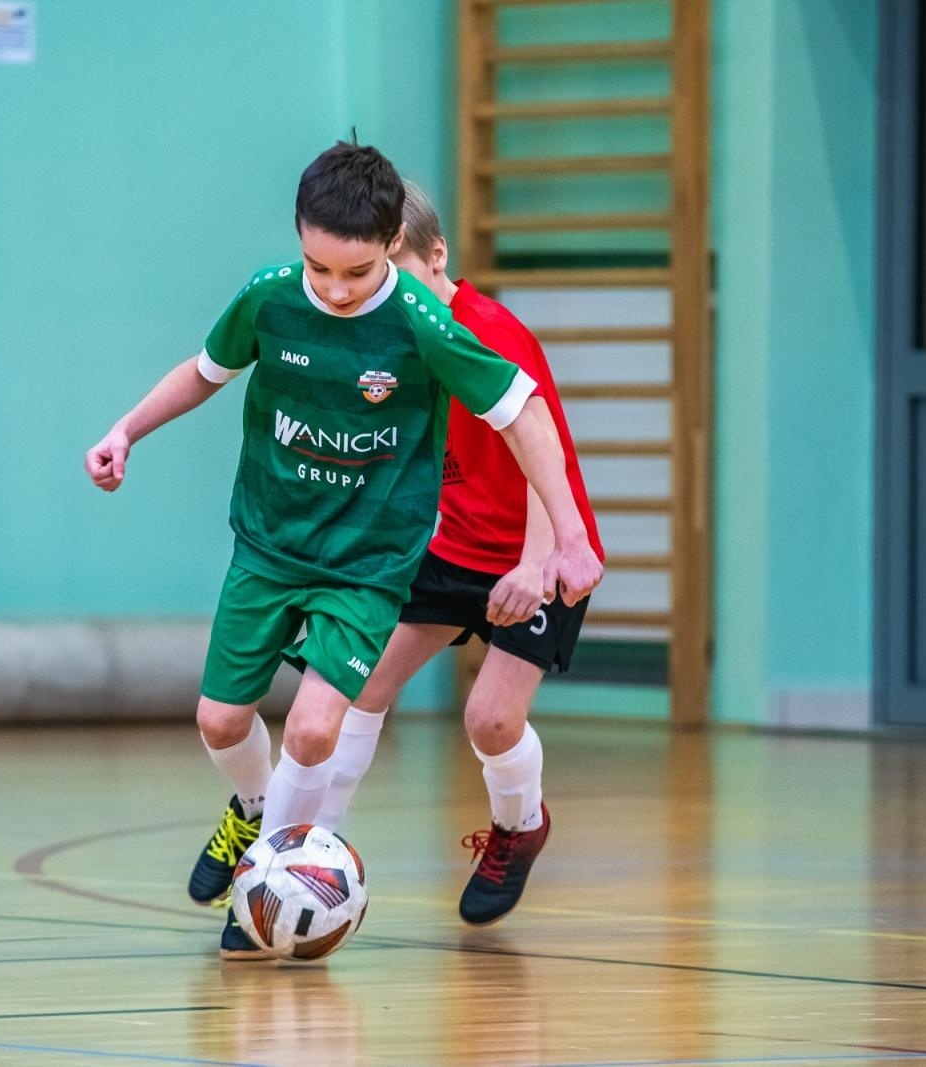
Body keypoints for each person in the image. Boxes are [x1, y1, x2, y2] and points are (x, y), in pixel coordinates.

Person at [84, 141, 603, 958]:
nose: (336, 291)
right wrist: (125, 430)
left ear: (416, 253)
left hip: (474, 553)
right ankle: (279, 834)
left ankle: (494, 829)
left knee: (476, 719)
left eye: (359, 274)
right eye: (320, 269)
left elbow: (539, 438)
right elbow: (209, 370)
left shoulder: (451, 329)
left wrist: (553, 554)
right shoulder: (279, 300)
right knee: (276, 713)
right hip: (401, 547)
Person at [294, 181, 603, 927]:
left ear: (438, 256)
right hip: (449, 547)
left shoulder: (490, 332)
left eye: (401, 272)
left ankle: (519, 824)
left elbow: (545, 455)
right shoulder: (391, 335)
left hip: (537, 548)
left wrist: (536, 565)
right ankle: (309, 851)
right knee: (359, 684)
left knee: (490, 720)